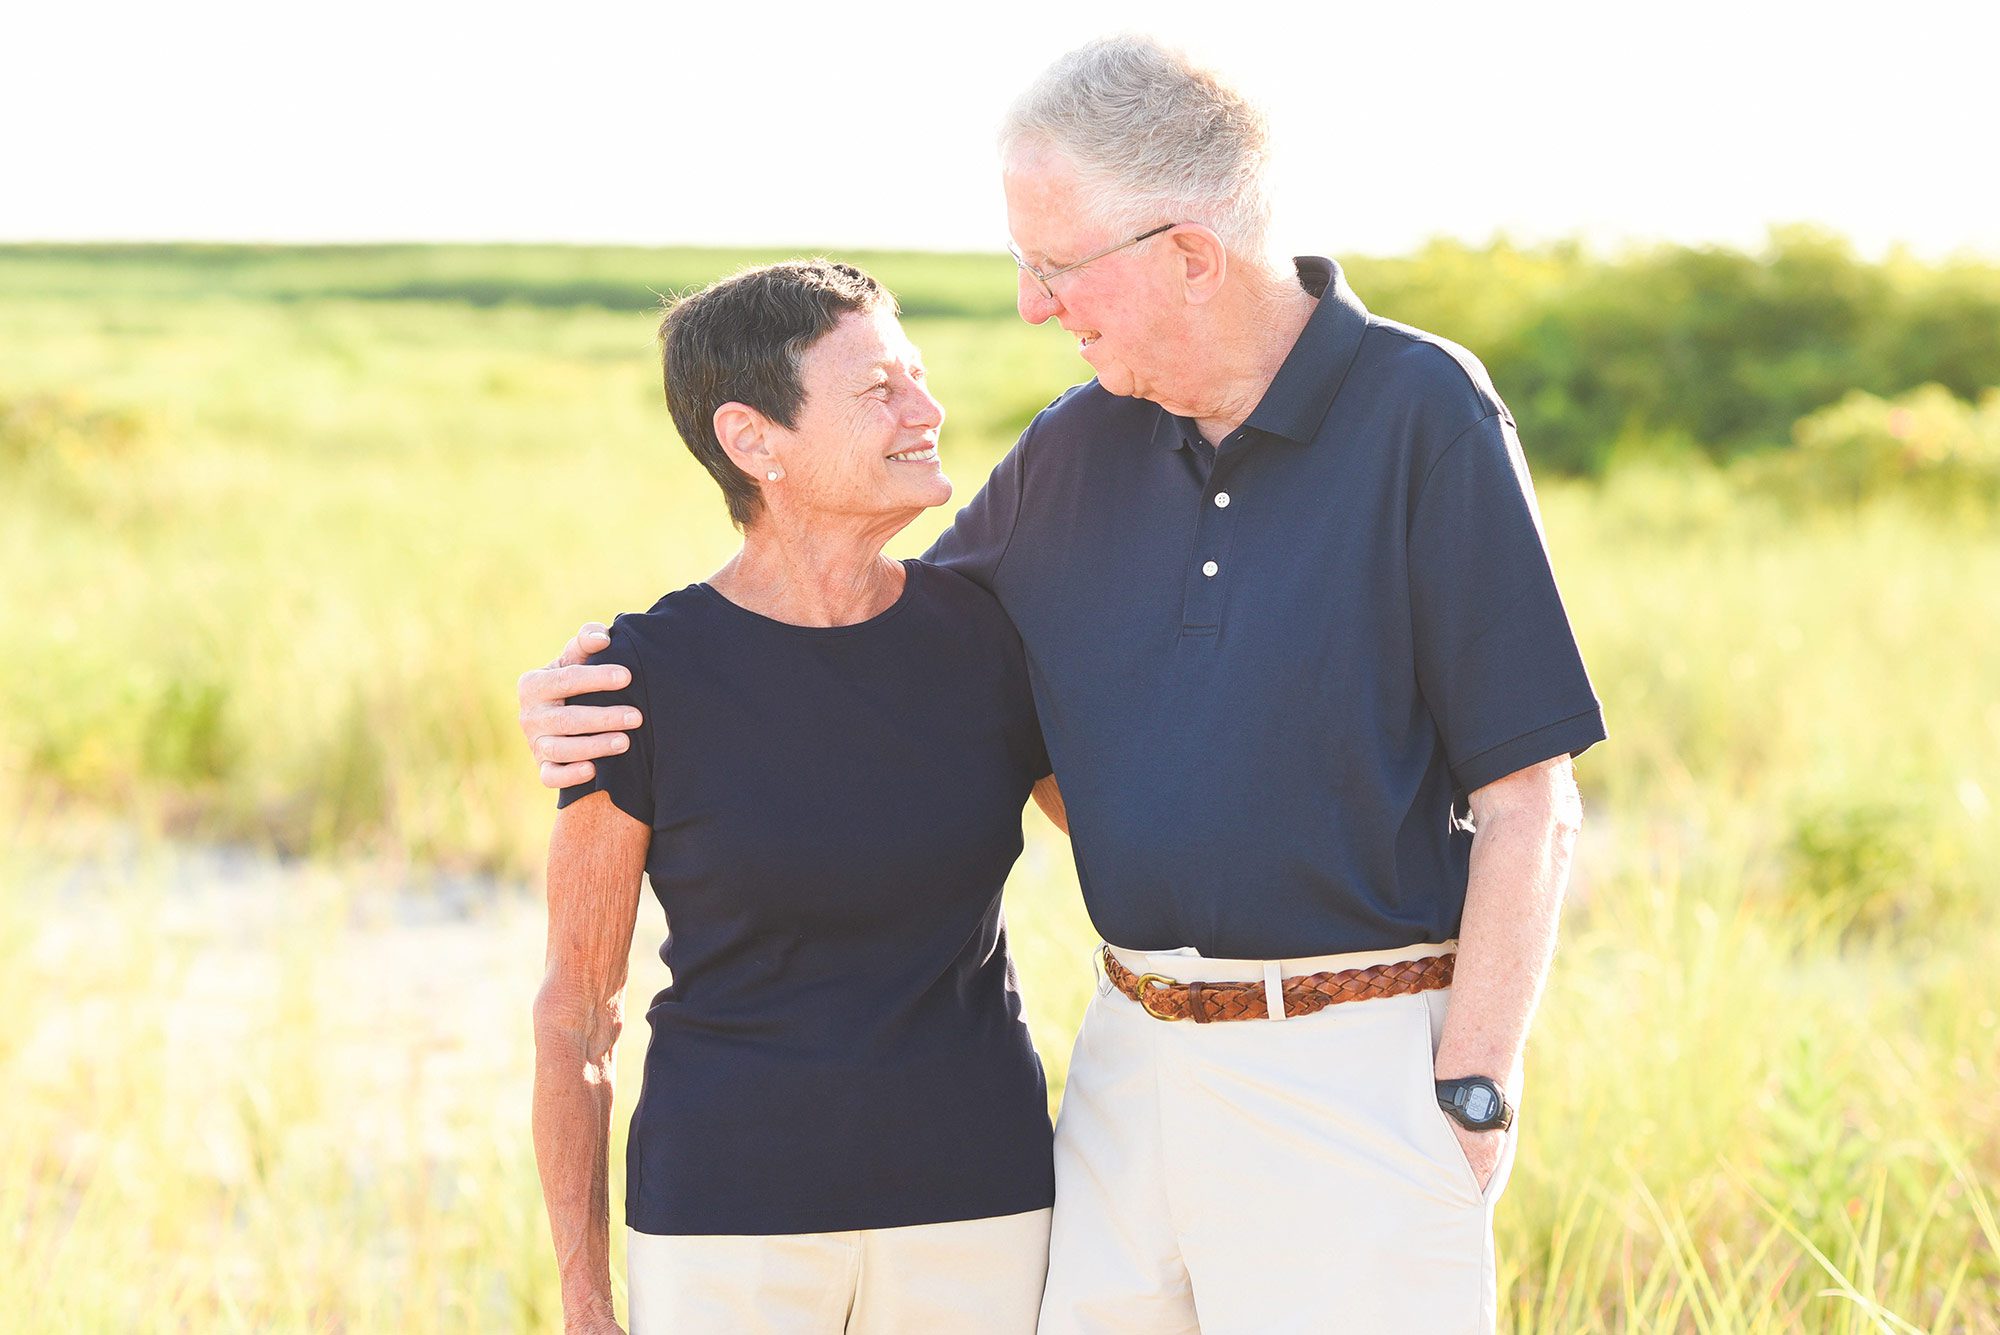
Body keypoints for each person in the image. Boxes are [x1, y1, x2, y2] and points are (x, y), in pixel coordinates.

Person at [522, 38, 1605, 1334]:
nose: (1035, 307)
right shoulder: (1077, 440)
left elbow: (1533, 794)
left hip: (1351, 1061)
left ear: (1188, 256)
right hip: (1126, 1063)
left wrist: (1476, 1081)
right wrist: (617, 688)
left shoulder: (1423, 410)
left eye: (1056, 267)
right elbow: (869, 622)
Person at [532, 259, 1063, 1335]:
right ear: (752, 440)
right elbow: (576, 1016)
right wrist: (584, 1297)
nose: (929, 410)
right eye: (879, 391)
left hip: (980, 1203)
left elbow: (1138, 858)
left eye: (917, 377)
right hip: (727, 1221)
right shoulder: (636, 682)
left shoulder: (990, 640)